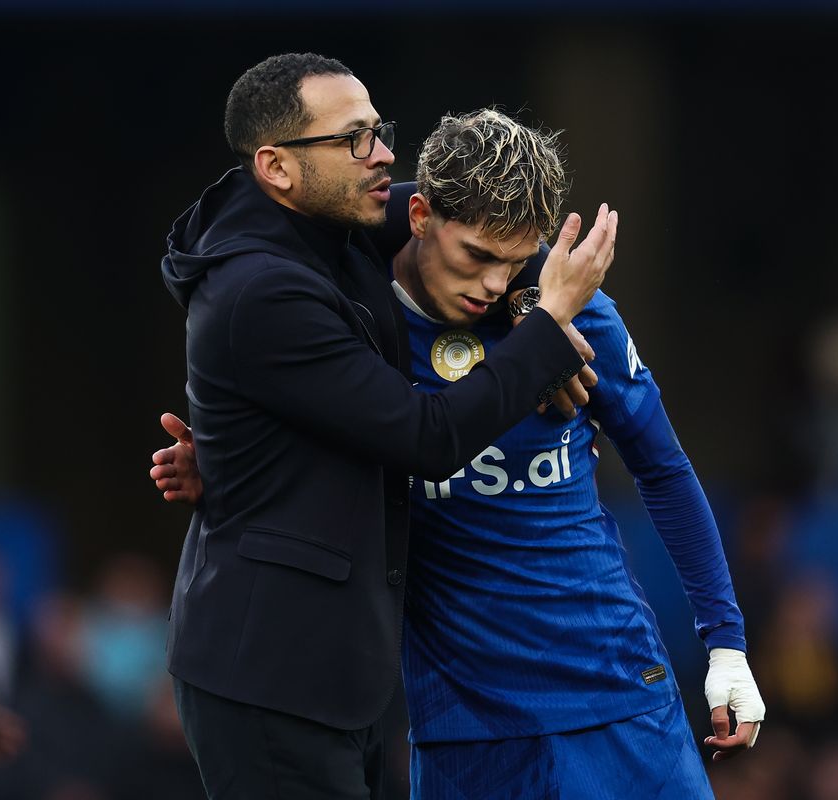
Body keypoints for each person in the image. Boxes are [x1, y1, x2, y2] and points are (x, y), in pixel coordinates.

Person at [154, 109, 762, 799]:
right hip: (462, 721)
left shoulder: (568, 311)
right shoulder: (352, 319)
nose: (493, 287)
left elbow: (664, 468)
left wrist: (726, 643)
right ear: (419, 215)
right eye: (476, 256)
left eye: (515, 262)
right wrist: (231, 459)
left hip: (615, 692)